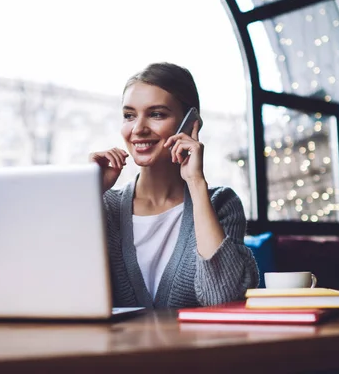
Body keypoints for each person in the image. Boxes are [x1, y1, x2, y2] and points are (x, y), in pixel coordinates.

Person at [89, 62, 259, 309]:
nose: (138, 129)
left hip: (193, 348)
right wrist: (87, 193)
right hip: (117, 348)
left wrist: (196, 182)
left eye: (156, 114)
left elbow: (224, 299)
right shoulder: (103, 204)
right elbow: (56, 286)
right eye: (129, 115)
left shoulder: (220, 203)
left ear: (191, 123)